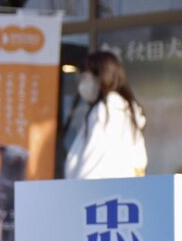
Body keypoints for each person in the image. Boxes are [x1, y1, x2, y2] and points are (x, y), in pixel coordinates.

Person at [63, 51, 147, 179]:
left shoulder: (108, 109)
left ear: (100, 77)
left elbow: (93, 164)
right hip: (114, 191)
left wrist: (76, 193)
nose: (81, 83)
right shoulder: (121, 108)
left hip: (95, 194)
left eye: (85, 77)